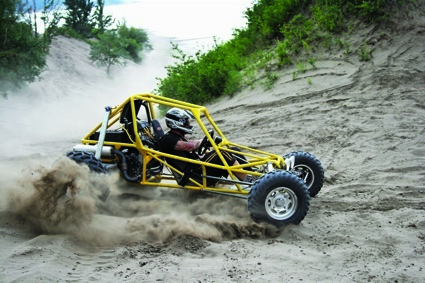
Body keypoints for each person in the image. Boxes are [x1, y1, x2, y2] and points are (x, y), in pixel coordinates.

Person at [160, 108, 246, 186]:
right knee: (223, 153)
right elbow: (190, 146)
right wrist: (204, 142)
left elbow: (191, 153)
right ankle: (250, 183)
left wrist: (204, 147)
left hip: (196, 170)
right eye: (185, 121)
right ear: (176, 123)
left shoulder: (178, 137)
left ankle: (252, 176)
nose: (188, 124)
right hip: (193, 176)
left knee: (233, 150)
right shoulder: (167, 139)